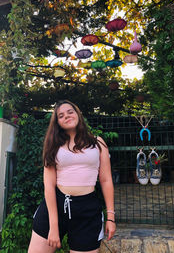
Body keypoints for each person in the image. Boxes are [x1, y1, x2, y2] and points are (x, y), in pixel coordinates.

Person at [28, 100, 116, 253]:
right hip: (55, 207)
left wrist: (111, 217)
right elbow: (49, 185)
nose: (67, 116)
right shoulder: (53, 146)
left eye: (70, 112)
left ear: (78, 114)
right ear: (58, 123)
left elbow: (106, 180)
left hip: (87, 211)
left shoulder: (98, 143)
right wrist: (53, 227)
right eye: (61, 116)